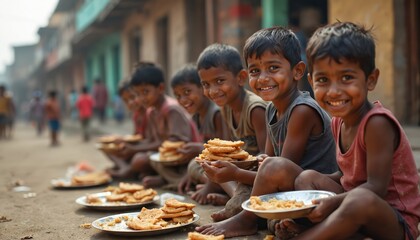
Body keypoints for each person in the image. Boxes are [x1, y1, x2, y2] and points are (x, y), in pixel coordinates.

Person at [278, 22, 420, 240]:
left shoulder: (376, 123)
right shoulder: (339, 121)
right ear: (311, 81)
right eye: (323, 80)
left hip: (395, 223)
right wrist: (317, 195)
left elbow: (375, 188)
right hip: (356, 211)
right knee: (306, 178)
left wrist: (331, 202)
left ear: (370, 80)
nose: (334, 91)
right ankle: (322, 231)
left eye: (346, 78)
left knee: (359, 200)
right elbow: (347, 177)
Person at [195, 26, 338, 237]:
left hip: (315, 193)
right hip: (289, 192)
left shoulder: (302, 110)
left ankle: (247, 219)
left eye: (273, 68)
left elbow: (278, 170)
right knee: (273, 220)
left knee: (259, 183)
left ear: (297, 71)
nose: (262, 78)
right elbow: (267, 161)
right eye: (255, 70)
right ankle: (277, 222)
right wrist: (251, 163)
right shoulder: (271, 108)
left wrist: (235, 173)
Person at [196, 43, 268, 221]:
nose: (213, 91)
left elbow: (265, 157)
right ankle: (232, 194)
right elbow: (226, 151)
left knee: (243, 197)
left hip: (253, 175)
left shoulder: (255, 109)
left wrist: (232, 172)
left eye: (220, 81)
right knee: (196, 165)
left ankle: (235, 199)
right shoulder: (225, 107)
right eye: (206, 84)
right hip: (236, 173)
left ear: (241, 77)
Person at [108, 63, 200, 190]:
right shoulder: (151, 111)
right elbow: (152, 140)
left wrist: (134, 149)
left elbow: (178, 143)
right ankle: (163, 177)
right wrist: (130, 145)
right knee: (117, 150)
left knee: (139, 160)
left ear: (161, 88)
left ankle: (172, 180)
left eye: (145, 92)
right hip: (163, 157)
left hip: (184, 157)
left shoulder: (171, 109)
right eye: (138, 94)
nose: (141, 98)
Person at [170, 63, 229, 205]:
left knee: (193, 165)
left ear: (202, 88)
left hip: (224, 165)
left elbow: (226, 152)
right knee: (190, 165)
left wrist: (200, 148)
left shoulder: (216, 113)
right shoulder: (196, 117)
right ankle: (212, 186)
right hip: (210, 166)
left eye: (187, 92)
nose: (183, 100)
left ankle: (221, 190)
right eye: (178, 96)